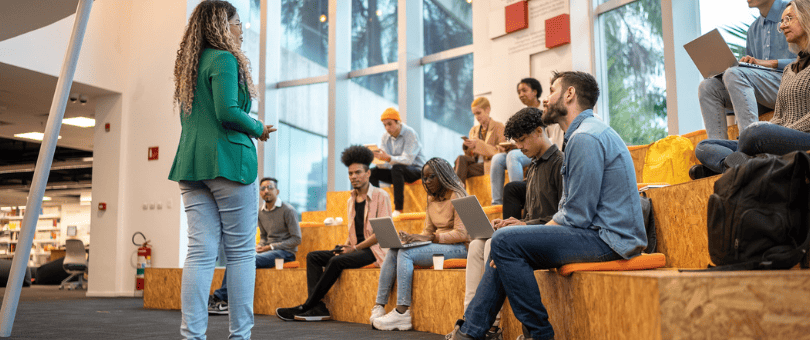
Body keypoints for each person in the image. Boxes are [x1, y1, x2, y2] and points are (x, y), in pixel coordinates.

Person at [449, 71, 646, 340]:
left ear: (569, 94)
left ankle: (537, 335)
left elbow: (577, 215)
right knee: (504, 244)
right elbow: (573, 211)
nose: (545, 99)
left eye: (552, 90)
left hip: (609, 239)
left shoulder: (585, 137)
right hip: (601, 234)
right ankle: (471, 333)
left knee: (505, 242)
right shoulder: (582, 134)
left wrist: (523, 233)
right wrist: (524, 233)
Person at [169, 1, 275, 339]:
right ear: (222, 25)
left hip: (192, 163)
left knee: (199, 253)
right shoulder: (225, 59)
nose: (242, 29)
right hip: (229, 162)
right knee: (241, 253)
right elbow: (227, 111)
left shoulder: (191, 64)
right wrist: (258, 127)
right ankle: (240, 336)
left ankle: (192, 335)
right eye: (238, 22)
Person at [457, 107, 564, 340]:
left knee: (496, 248)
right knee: (478, 245)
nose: (519, 147)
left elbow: (564, 217)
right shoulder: (534, 166)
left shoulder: (560, 163)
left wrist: (525, 226)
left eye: (522, 139)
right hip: (535, 233)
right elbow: (537, 213)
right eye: (516, 141)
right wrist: (518, 222)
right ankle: (473, 324)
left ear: (539, 131)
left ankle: (482, 329)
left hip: (554, 236)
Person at [694, 0, 810, 177]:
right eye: (782, 21)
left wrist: (782, 130)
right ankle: (736, 163)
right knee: (703, 146)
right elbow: (779, 116)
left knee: (753, 131)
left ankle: (731, 163)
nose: (783, 25)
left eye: (789, 19)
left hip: (800, 133)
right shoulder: (788, 70)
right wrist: (771, 129)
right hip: (768, 104)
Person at [276, 145, 392, 321]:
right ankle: (319, 308)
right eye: (350, 173)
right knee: (313, 257)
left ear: (368, 173)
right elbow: (353, 231)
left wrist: (354, 249)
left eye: (358, 172)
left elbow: (382, 235)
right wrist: (346, 246)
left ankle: (307, 306)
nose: (353, 177)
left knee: (337, 261)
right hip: (355, 248)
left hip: (374, 251)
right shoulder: (350, 200)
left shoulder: (381, 196)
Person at [369, 157, 470, 331]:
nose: (427, 181)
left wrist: (429, 239)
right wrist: (412, 239)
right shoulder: (431, 198)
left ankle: (402, 313)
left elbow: (462, 234)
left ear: (443, 175)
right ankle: (379, 305)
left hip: (461, 248)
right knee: (396, 249)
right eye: (425, 177)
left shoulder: (458, 194)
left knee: (406, 254)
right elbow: (427, 230)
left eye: (432, 177)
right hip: (440, 244)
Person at [697, 0, 795, 142]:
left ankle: (751, 148)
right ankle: (720, 150)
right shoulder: (753, 30)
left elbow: (806, 60)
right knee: (707, 87)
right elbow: (746, 77)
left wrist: (771, 64)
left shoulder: (795, 12)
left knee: (735, 74)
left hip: (792, 83)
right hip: (764, 91)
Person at [208, 177, 301, 314]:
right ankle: (224, 301)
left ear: (277, 191)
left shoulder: (288, 210)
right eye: (262, 188)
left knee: (251, 259)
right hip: (267, 251)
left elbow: (296, 239)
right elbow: (264, 237)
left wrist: (270, 247)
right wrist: (259, 247)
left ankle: (221, 298)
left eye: (270, 187)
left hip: (285, 253)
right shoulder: (260, 212)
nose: (266, 191)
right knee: (236, 258)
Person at [490, 78, 564, 206]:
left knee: (513, 156)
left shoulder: (546, 110)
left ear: (535, 92)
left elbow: (549, 137)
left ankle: (519, 195)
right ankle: (496, 202)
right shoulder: (521, 114)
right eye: (519, 91)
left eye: (524, 90)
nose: (521, 94)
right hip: (524, 149)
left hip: (543, 148)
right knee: (497, 158)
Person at [369, 108, 427, 217]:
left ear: (398, 122)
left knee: (396, 168)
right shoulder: (385, 137)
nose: (387, 128)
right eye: (385, 125)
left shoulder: (410, 133)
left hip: (417, 170)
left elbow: (408, 160)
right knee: (372, 172)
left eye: (390, 124)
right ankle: (376, 208)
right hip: (398, 173)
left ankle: (398, 209)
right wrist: (377, 159)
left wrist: (388, 158)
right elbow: (386, 164)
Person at [455, 97, 506, 185]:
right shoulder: (473, 130)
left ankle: (458, 193)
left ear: (487, 110)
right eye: (474, 114)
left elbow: (502, 151)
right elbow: (469, 155)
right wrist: (467, 146)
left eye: (478, 113)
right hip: (476, 163)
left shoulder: (499, 127)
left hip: (489, 164)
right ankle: (458, 192)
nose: (476, 117)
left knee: (457, 170)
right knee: (461, 159)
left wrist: (478, 145)